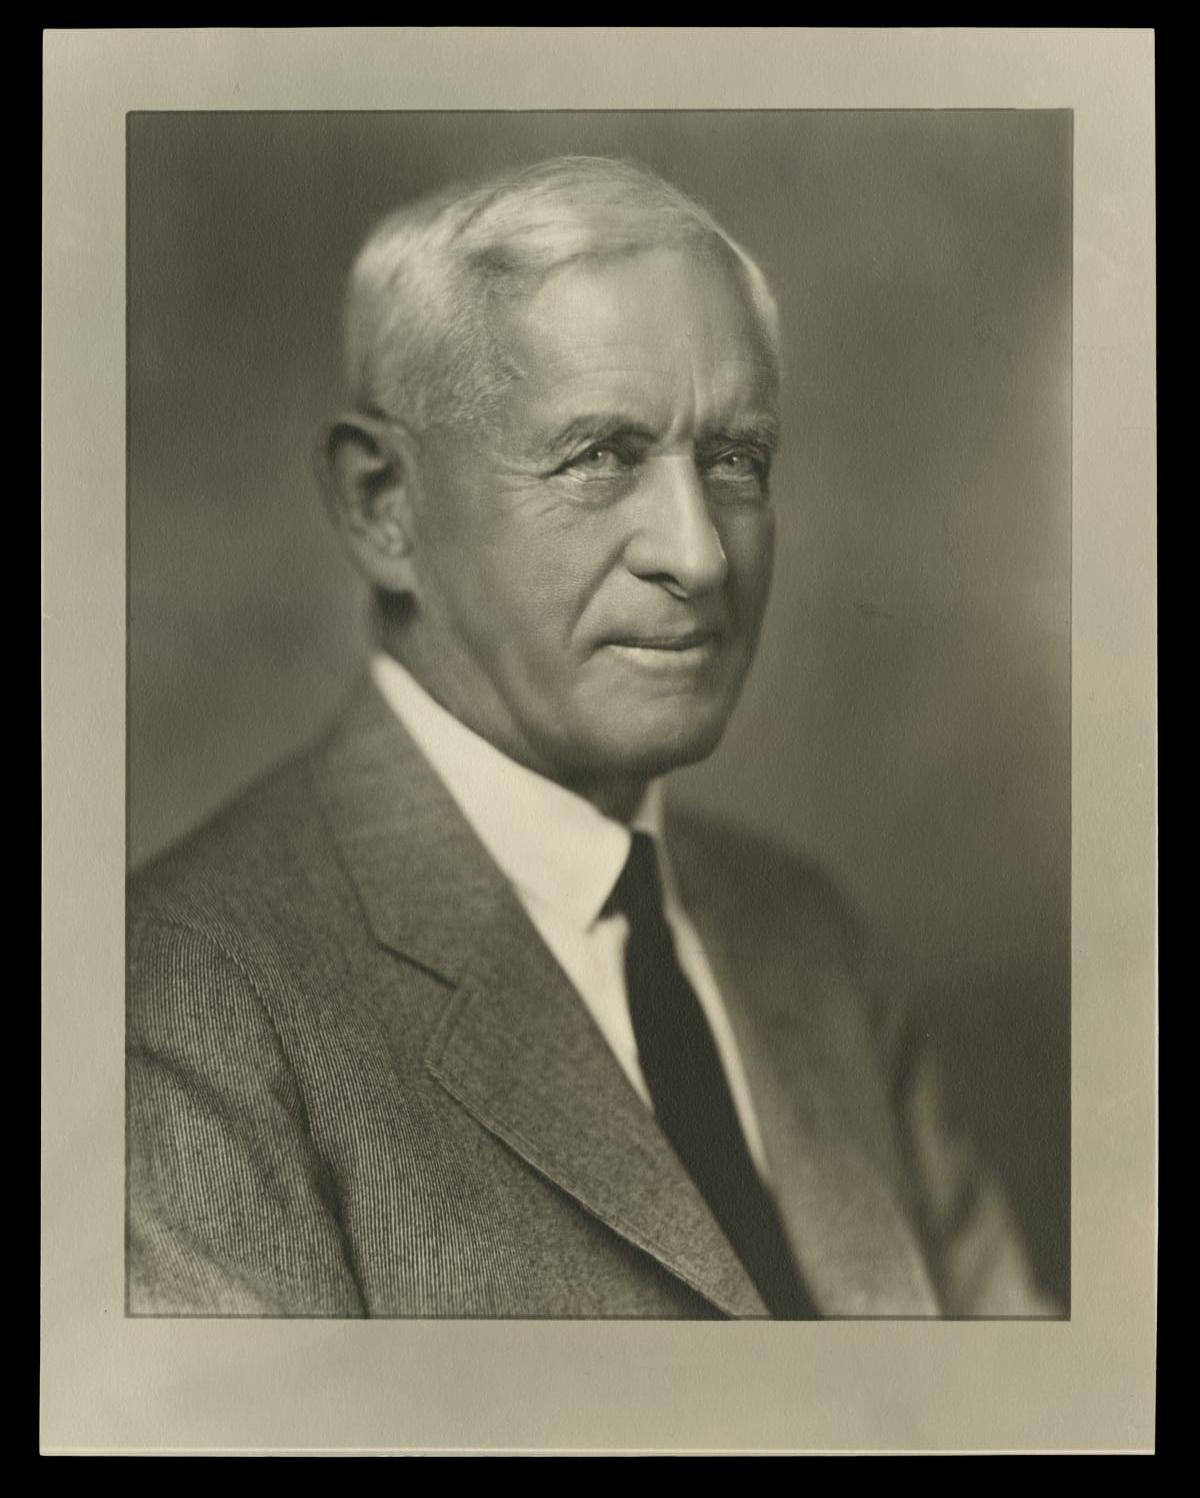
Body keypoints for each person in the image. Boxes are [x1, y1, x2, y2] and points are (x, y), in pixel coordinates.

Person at [127, 155, 1057, 1319]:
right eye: (599, 457)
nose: (699, 555)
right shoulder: (182, 1004)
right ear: (383, 505)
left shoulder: (810, 937)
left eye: (736, 460)